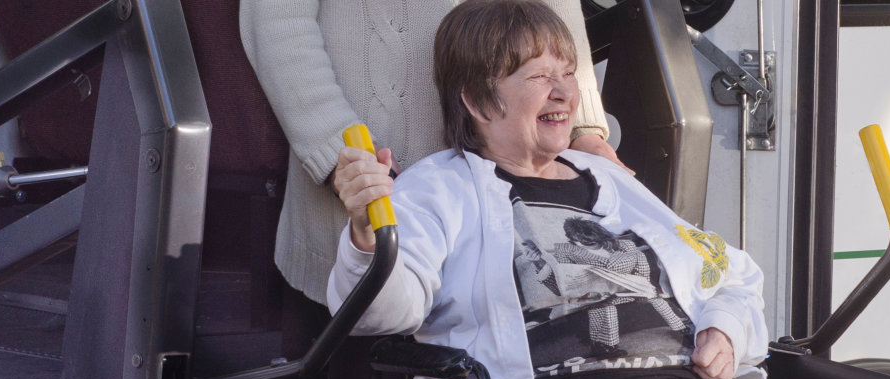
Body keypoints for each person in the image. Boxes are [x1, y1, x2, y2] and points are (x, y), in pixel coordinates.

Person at [328, 1, 890, 379]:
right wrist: (369, 236)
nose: (563, 91)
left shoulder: (610, 180)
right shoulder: (438, 188)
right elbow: (385, 311)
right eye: (537, 76)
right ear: (477, 99)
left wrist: (724, 328)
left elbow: (725, 270)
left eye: (567, 72)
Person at [241, 0, 629, 303]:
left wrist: (582, 130)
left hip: (510, 198)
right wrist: (338, 155)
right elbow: (279, 26)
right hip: (367, 185)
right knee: (376, 361)